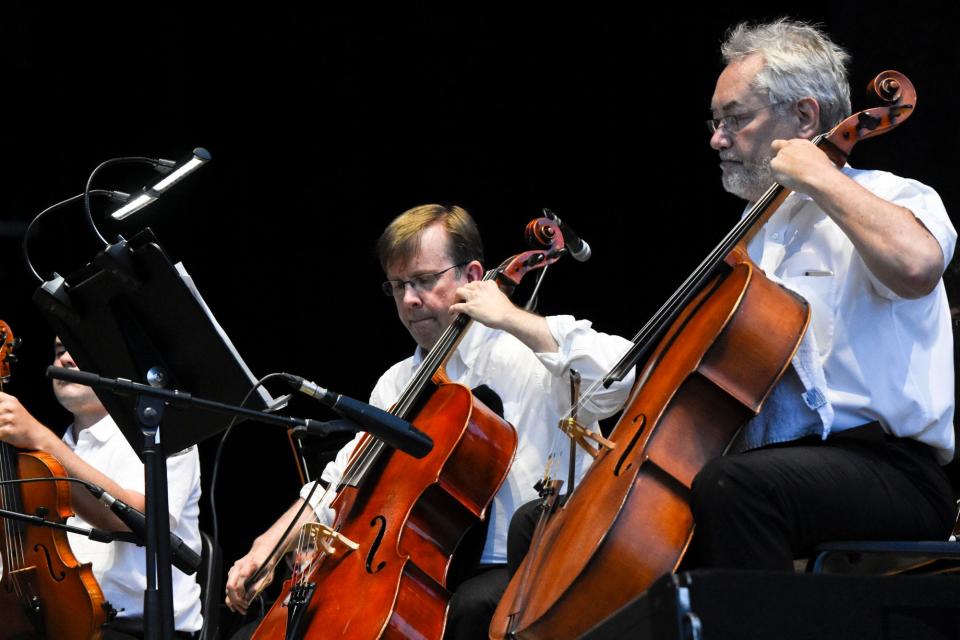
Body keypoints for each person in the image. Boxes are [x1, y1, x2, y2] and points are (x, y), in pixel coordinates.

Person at [224, 203, 634, 638]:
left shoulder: (532, 346)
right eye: (397, 285)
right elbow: (341, 479)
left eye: (423, 281)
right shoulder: (397, 383)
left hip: (532, 561)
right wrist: (270, 543)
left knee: (470, 612)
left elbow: (621, 379)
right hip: (430, 570)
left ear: (473, 276)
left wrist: (514, 318)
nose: (409, 301)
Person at [686, 18, 957, 569]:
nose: (717, 138)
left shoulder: (895, 195)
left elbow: (917, 265)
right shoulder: (750, 234)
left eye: (735, 119)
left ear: (804, 117)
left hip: (892, 470)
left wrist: (821, 175)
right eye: (716, 121)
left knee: (734, 488)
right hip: (779, 469)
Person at [0, 338, 203, 638]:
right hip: (64, 624)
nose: (65, 359)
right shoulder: (45, 457)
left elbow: (136, 520)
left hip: (138, 630)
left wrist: (42, 439)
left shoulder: (163, 437)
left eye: (76, 349)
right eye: (58, 352)